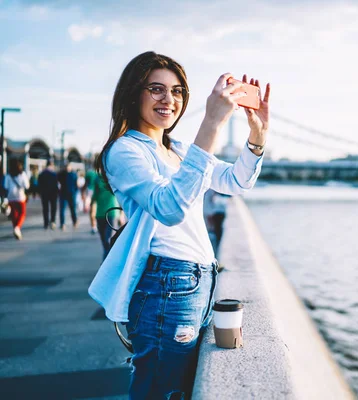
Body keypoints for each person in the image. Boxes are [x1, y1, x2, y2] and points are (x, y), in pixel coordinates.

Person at [87, 51, 270, 400]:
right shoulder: (125, 152)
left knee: (179, 388)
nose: (168, 100)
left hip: (198, 281)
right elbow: (168, 207)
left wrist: (257, 136)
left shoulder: (183, 149)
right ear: (133, 94)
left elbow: (236, 182)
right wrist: (212, 123)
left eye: (177, 92)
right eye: (156, 89)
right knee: (161, 389)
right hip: (166, 285)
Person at [90, 175, 121, 260]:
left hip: (112, 213)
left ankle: (106, 266)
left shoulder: (115, 176)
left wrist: (121, 214)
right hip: (100, 214)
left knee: (109, 241)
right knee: (105, 243)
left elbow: (122, 195)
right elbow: (94, 197)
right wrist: (91, 215)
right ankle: (108, 264)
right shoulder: (97, 178)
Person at [3, 159, 30, 240]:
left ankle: (16, 228)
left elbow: (5, 187)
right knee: (22, 213)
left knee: (14, 215)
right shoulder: (22, 174)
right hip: (20, 196)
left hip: (11, 197)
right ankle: (17, 228)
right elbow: (27, 186)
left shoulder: (8, 175)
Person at [203, 188, 231, 260]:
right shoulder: (210, 187)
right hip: (213, 214)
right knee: (213, 237)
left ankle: (216, 259)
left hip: (219, 212)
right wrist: (209, 215)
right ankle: (214, 260)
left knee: (217, 237)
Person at [37, 160, 59, 230]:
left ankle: (46, 223)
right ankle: (53, 221)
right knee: (53, 208)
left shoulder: (41, 174)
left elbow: (39, 185)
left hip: (44, 193)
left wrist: (40, 192)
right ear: (51, 165)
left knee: (45, 209)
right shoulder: (54, 174)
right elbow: (57, 184)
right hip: (53, 194)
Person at [57, 163, 79, 230]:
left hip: (70, 194)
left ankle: (73, 222)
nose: (67, 168)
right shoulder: (62, 174)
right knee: (64, 209)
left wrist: (75, 191)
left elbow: (76, 184)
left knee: (71, 209)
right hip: (65, 194)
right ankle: (63, 224)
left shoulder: (73, 174)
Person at [85, 168, 99, 233]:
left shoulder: (89, 173)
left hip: (91, 194)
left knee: (92, 212)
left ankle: (93, 226)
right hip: (96, 195)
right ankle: (94, 226)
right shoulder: (99, 174)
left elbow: (85, 185)